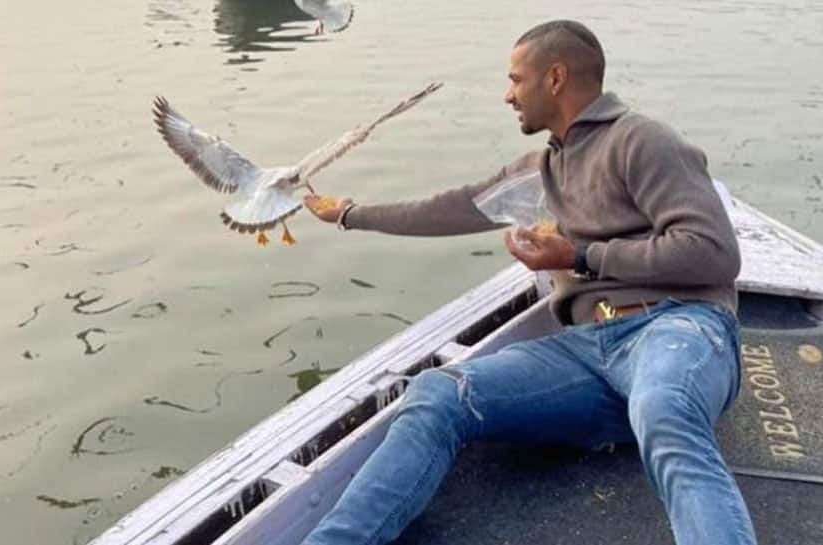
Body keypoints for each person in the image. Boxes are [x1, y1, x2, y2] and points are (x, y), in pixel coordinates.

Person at [300, 19, 756, 545]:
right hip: (588, 352)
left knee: (663, 407)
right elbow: (453, 209)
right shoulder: (541, 168)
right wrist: (349, 214)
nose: (507, 95)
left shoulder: (641, 140)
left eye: (516, 79)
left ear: (556, 78)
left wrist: (579, 256)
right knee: (440, 394)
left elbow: (715, 254)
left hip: (677, 327)